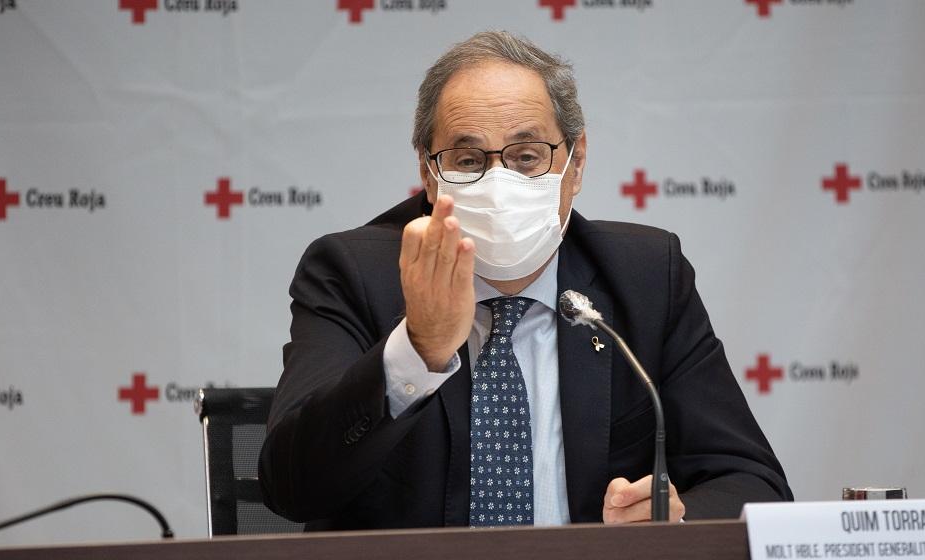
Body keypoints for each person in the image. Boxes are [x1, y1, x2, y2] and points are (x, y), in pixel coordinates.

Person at [260, 30, 791, 531]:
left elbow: (754, 484)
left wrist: (674, 520)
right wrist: (418, 349)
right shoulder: (353, 274)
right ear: (428, 172)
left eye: (527, 157)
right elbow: (291, 487)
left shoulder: (646, 275)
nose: (499, 183)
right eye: (468, 160)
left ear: (575, 164)